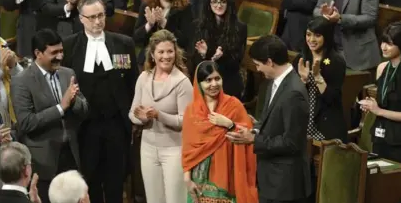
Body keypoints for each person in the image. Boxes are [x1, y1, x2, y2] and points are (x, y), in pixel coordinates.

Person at [62, 0, 138, 203]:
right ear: (81, 19)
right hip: (85, 127)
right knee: (90, 180)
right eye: (92, 17)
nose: (98, 21)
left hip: (116, 124)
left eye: (101, 16)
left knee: (115, 180)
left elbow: (133, 83)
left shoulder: (124, 43)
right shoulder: (69, 46)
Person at [226, 35, 311, 203]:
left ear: (270, 62)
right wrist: (255, 128)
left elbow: (292, 142)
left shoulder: (293, 93)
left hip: (285, 185)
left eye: (258, 64)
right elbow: (271, 121)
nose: (257, 70)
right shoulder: (275, 83)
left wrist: (254, 140)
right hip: (271, 179)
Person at [11, 29, 89, 203]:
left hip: (71, 155)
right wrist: (61, 107)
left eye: (61, 51)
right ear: (38, 53)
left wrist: (74, 100)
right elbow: (26, 123)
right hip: (43, 161)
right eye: (54, 52)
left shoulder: (68, 74)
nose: (60, 57)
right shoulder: (22, 81)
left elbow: (84, 110)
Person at [129, 29, 192, 203]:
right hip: (148, 149)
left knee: (174, 199)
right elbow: (132, 113)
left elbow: (186, 121)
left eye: (170, 51)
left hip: (174, 150)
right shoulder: (144, 78)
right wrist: (142, 118)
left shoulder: (182, 82)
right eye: (161, 52)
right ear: (152, 54)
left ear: (176, 52)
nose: (166, 56)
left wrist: (159, 115)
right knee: (154, 199)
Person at [182, 61, 257, 203]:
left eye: (217, 78)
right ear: (199, 84)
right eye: (208, 80)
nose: (214, 84)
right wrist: (187, 178)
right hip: (199, 178)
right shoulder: (191, 111)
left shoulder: (234, 105)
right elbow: (188, 148)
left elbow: (248, 135)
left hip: (228, 176)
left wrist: (229, 124)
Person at [360, 21, 401, 167]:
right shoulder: (382, 67)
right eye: (383, 42)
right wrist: (371, 105)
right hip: (380, 135)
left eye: (389, 43)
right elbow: (384, 101)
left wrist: (379, 111)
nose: (383, 47)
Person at [293, 17, 347, 142]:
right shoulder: (300, 59)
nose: (311, 40)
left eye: (317, 35)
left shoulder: (335, 61)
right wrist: (303, 80)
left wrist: (317, 77)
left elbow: (331, 98)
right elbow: (293, 95)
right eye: (308, 34)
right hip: (302, 118)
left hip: (325, 122)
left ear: (326, 36)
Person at [191, 0, 247, 99]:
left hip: (227, 81)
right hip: (204, 80)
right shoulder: (198, 25)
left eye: (223, 1)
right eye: (215, 1)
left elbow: (237, 61)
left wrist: (213, 55)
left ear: (228, 3)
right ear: (209, 4)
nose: (219, 5)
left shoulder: (239, 27)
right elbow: (193, 58)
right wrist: (203, 55)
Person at [133, 0, 193, 67]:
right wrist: (149, 25)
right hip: (149, 59)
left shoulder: (185, 8)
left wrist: (164, 23)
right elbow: (137, 39)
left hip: (174, 61)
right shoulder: (147, 5)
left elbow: (185, 42)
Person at [0, 38, 23, 142]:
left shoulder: (1, 43)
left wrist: (14, 66)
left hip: (12, 121)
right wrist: (0, 68)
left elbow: (22, 79)